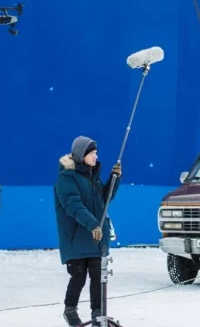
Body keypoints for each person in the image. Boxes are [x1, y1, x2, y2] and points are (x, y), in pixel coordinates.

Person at [54, 136, 122, 327]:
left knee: (98, 277)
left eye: (96, 153)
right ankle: (70, 310)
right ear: (80, 155)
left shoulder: (92, 176)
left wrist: (115, 179)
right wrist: (93, 224)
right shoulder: (66, 178)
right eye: (92, 153)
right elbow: (73, 205)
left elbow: (103, 201)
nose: (95, 157)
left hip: (95, 237)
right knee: (78, 276)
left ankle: (98, 313)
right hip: (77, 237)